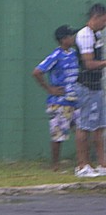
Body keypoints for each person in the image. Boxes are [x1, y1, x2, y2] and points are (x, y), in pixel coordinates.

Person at [32, 25, 79, 172]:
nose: (73, 38)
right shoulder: (56, 55)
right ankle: (55, 165)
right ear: (63, 39)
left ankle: (82, 163)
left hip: (75, 100)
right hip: (59, 102)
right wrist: (50, 89)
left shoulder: (75, 54)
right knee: (58, 135)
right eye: (70, 36)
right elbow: (37, 72)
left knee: (81, 130)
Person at [72, 4, 106, 178]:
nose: (105, 24)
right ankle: (82, 166)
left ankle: (102, 165)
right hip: (85, 87)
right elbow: (89, 64)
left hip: (96, 86)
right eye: (104, 20)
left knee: (99, 126)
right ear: (97, 17)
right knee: (84, 126)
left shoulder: (97, 34)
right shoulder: (85, 35)